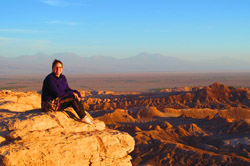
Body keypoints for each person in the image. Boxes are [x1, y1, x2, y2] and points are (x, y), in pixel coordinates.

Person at [41, 59, 94, 124]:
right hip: (49, 104)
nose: (58, 69)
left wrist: (76, 92)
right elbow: (58, 93)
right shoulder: (50, 79)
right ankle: (83, 117)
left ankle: (84, 116)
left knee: (76, 96)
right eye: (56, 67)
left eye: (60, 67)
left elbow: (67, 89)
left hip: (57, 100)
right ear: (52, 68)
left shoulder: (63, 77)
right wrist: (72, 93)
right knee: (72, 98)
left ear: (62, 68)